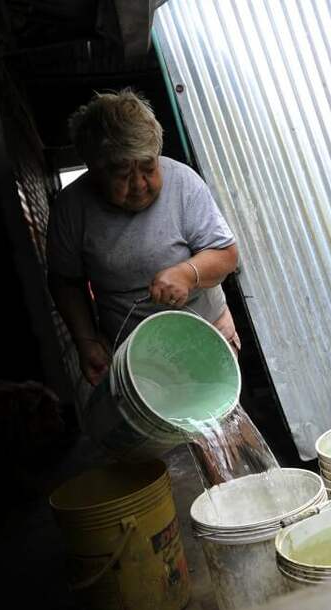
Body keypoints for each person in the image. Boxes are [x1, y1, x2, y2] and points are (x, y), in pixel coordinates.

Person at [47, 89, 239, 387]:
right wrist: (86, 340)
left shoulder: (184, 183)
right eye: (122, 175)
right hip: (133, 359)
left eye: (149, 167)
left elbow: (226, 255)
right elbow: (64, 281)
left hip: (208, 336)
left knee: (214, 423)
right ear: (95, 171)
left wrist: (187, 273)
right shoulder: (72, 208)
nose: (139, 184)